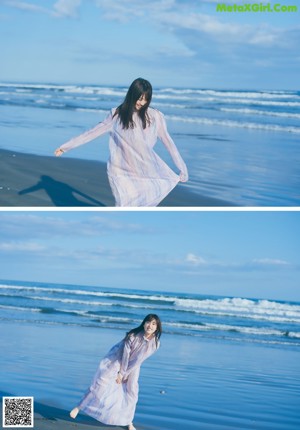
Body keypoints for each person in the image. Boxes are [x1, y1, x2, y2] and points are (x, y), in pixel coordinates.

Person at [55, 78, 188, 207]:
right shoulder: (117, 115)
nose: (142, 103)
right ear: (132, 95)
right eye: (139, 98)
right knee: (123, 204)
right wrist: (65, 147)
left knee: (143, 205)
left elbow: (168, 142)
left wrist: (182, 167)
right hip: (120, 171)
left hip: (144, 169)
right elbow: (92, 133)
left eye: (146, 99)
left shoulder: (155, 116)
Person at [69, 314, 162, 430]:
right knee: (101, 382)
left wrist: (125, 374)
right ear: (143, 323)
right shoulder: (132, 335)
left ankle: (129, 422)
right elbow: (125, 355)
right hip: (116, 358)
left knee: (132, 392)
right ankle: (78, 407)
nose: (150, 326)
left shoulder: (155, 344)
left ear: (157, 327)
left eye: (154, 324)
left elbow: (138, 360)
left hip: (133, 366)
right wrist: (120, 373)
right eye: (148, 322)